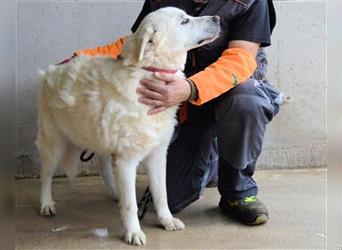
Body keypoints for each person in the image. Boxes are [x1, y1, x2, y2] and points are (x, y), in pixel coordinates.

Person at [73, 0, 283, 225]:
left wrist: (190, 88)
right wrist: (81, 59)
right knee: (170, 199)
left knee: (246, 102)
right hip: (187, 105)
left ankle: (238, 192)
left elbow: (241, 58)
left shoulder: (251, 2)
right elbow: (139, 43)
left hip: (232, 91)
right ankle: (211, 160)